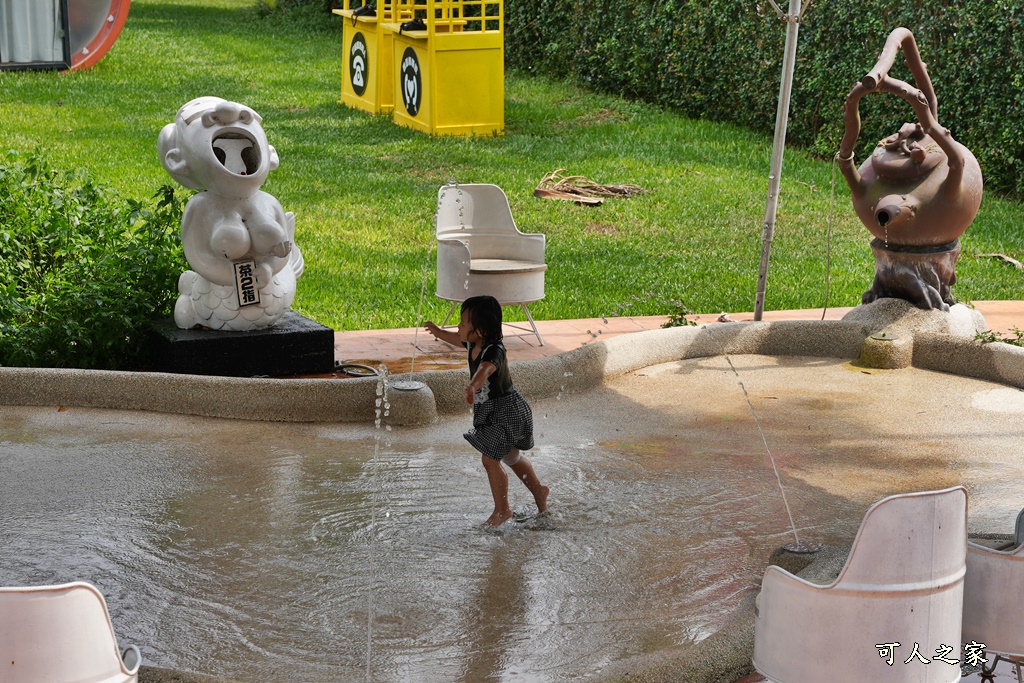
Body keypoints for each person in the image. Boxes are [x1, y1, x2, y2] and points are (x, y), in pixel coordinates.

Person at [424, 296, 550, 528]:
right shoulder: (473, 343)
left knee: (489, 459)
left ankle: (502, 510)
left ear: (479, 331)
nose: (458, 328)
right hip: (495, 412)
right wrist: (437, 332)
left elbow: (485, 369)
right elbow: (454, 338)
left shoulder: (495, 350)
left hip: (507, 412)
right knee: (511, 457)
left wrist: (473, 385)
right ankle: (539, 491)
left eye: (463, 323)